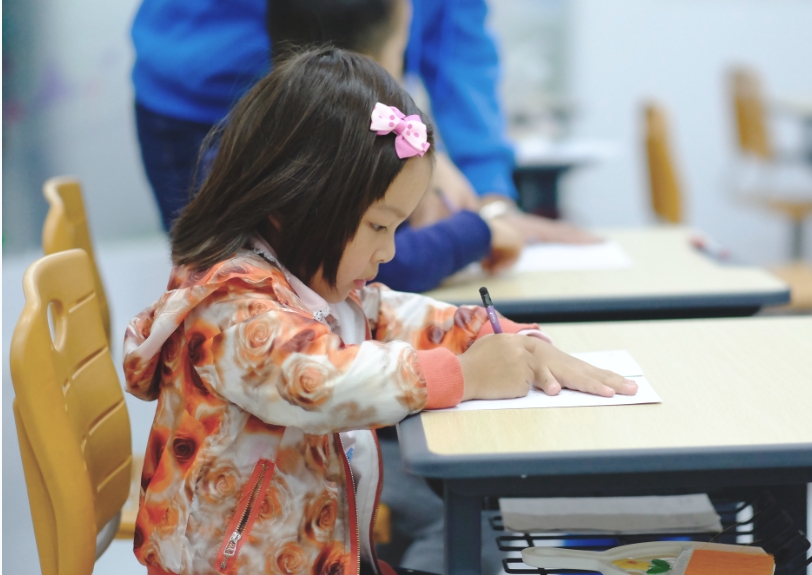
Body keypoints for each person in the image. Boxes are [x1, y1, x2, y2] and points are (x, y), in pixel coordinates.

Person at [123, 48, 637, 575]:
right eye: (378, 227)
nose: (389, 252)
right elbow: (318, 380)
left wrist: (498, 334)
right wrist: (462, 374)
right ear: (291, 203)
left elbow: (390, 315)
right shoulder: (230, 309)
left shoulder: (311, 286)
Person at [132, 0, 595, 246]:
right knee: (252, 293)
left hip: (337, 88)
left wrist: (491, 199)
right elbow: (341, 32)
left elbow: (455, 38)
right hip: (208, 98)